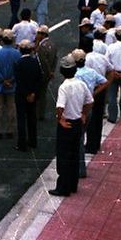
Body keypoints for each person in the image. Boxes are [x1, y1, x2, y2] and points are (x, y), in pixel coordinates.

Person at [49, 54, 93, 197]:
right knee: (74, 155)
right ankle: (73, 185)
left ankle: (63, 187)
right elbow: (89, 101)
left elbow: (60, 106)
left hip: (67, 124)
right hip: (77, 122)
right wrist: (84, 114)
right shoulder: (81, 84)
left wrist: (60, 119)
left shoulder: (64, 87)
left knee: (63, 157)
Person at [73, 49, 108, 177]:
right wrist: (94, 92)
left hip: (78, 107)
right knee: (81, 135)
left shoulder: (75, 75)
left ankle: (80, 169)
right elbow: (104, 81)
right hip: (89, 107)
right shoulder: (91, 72)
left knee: (77, 139)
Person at [13, 39, 42, 151]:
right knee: (32, 118)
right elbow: (39, 79)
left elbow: (19, 81)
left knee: (21, 119)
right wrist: (33, 93)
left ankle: (22, 144)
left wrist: (26, 94)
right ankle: (33, 141)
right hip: (33, 95)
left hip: (21, 95)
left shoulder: (18, 63)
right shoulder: (35, 62)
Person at [0, 29, 20, 139]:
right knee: (11, 108)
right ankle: (10, 130)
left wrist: (3, 80)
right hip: (12, 85)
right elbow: (18, 69)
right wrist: (11, 80)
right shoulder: (16, 53)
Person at [35, 25, 58, 121]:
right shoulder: (53, 45)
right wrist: (52, 71)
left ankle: (38, 113)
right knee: (43, 93)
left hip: (42, 74)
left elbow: (43, 62)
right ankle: (41, 113)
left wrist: (48, 72)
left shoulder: (41, 47)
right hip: (49, 73)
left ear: (43, 34)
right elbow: (55, 59)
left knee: (39, 93)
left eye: (38, 33)